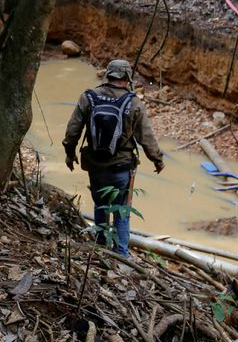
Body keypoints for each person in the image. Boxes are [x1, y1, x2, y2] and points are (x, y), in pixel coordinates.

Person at [63, 59, 165, 257]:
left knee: (100, 204)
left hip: (95, 165)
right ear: (127, 78)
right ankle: (121, 255)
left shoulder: (89, 97)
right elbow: (146, 136)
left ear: (107, 75)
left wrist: (70, 154)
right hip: (121, 167)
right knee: (122, 211)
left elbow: (73, 129)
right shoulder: (133, 103)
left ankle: (101, 247)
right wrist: (157, 159)